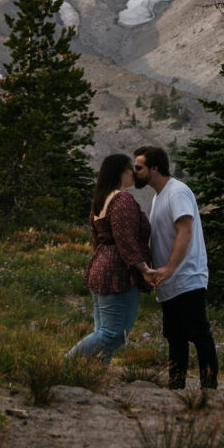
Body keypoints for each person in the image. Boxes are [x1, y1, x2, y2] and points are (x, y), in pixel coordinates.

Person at [133, 144, 215, 394]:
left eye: (139, 167)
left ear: (154, 168)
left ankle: (209, 389)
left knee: (199, 335)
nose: (134, 171)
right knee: (175, 338)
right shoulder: (159, 196)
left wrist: (169, 267)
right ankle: (176, 387)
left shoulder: (177, 192)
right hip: (168, 282)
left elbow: (185, 230)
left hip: (186, 277)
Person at [68, 152, 148, 363]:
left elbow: (97, 240)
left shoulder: (100, 201)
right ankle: (64, 363)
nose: (133, 173)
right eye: (130, 168)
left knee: (102, 330)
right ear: (119, 172)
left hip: (100, 266)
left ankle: (93, 374)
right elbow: (125, 240)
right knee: (113, 334)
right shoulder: (122, 200)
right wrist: (144, 269)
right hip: (118, 272)